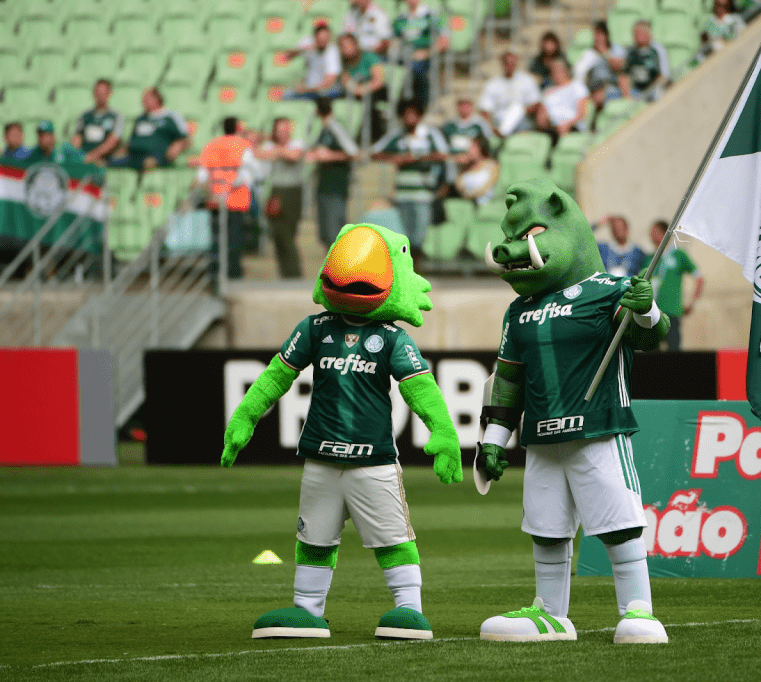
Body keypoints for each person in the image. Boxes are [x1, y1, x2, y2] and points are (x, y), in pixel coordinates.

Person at [222, 223, 461, 641]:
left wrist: (442, 431)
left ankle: (408, 609)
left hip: (374, 462)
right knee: (314, 537)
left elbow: (420, 387)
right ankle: (308, 611)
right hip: (320, 458)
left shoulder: (391, 338)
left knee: (392, 538)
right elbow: (276, 377)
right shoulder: (314, 328)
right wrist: (245, 417)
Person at [478, 178, 669, 645]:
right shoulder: (518, 311)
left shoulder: (610, 289)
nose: (515, 249)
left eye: (530, 235)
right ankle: (550, 613)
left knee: (619, 523)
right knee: (546, 528)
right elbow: (508, 381)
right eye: (513, 237)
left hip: (599, 429)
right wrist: (492, 441)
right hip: (543, 440)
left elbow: (653, 335)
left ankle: (638, 610)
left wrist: (647, 311)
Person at [371, 99, 449, 257]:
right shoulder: (397, 134)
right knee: (404, 235)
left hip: (423, 193)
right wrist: (395, 158)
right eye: (406, 115)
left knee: (419, 235)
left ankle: (417, 265)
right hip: (402, 192)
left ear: (420, 116)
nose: (409, 118)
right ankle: (408, 269)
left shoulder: (429, 134)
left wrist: (416, 158)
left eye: (413, 114)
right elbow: (375, 152)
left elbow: (443, 154)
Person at [195, 117, 252, 280]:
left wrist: (215, 191)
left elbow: (202, 175)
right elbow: (245, 174)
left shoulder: (211, 145)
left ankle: (215, 273)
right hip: (235, 200)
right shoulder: (243, 145)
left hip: (214, 200)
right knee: (233, 240)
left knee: (216, 240)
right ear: (237, 128)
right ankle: (233, 274)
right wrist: (228, 188)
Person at [254, 117, 306, 279]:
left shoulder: (297, 144)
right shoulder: (272, 147)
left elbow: (294, 156)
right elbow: (258, 153)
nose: (283, 133)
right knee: (277, 232)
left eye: (285, 129)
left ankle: (294, 272)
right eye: (279, 129)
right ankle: (285, 272)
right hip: (276, 191)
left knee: (288, 233)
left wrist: (277, 151)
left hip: (292, 191)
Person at [642, 219, 704, 350]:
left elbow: (699, 277)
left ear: (665, 233)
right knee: (652, 351)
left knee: (674, 351)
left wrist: (693, 302)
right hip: (652, 312)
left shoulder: (678, 254)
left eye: (655, 232)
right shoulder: (649, 258)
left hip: (671, 311)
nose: (651, 236)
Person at [308, 99, 360, 250]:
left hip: (335, 187)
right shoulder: (324, 130)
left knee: (335, 232)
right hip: (324, 186)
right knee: (325, 234)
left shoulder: (335, 127)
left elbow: (354, 153)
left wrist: (329, 155)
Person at [110, 87, 189, 170]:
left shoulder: (170, 117)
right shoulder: (140, 119)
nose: (144, 101)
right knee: (107, 163)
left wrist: (177, 147)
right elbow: (131, 141)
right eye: (143, 99)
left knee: (147, 163)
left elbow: (185, 139)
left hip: (156, 157)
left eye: (147, 98)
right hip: (134, 156)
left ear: (157, 98)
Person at [392, 0, 449, 110]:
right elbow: (394, 40)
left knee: (417, 69)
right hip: (404, 56)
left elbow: (445, 41)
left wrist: (426, 53)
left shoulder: (432, 15)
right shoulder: (401, 18)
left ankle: (422, 106)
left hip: (426, 55)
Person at [477, 51, 542, 137]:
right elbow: (485, 110)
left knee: (517, 108)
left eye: (512, 63)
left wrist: (518, 114)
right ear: (502, 64)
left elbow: (536, 103)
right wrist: (491, 128)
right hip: (499, 121)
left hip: (522, 121)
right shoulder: (492, 84)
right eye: (507, 63)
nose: (510, 66)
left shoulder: (527, 80)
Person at [338, 33, 387, 142]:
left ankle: (374, 138)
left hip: (375, 92)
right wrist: (356, 90)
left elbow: (378, 81)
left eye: (348, 45)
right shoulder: (342, 63)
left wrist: (361, 90)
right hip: (355, 93)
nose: (345, 49)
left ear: (355, 45)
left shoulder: (370, 57)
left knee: (369, 102)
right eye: (342, 46)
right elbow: (346, 82)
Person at [535, 59, 589, 145]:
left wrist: (567, 125)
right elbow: (541, 119)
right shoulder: (548, 93)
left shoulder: (577, 86)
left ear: (566, 71)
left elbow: (582, 113)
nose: (556, 74)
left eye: (558, 71)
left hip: (573, 126)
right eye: (553, 72)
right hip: (553, 129)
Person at [71, 79, 125, 165]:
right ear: (93, 93)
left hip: (105, 159)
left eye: (103, 93)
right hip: (85, 156)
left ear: (109, 94)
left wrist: (92, 156)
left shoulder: (115, 116)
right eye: (98, 92)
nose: (100, 96)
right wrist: (78, 155)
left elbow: (113, 141)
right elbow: (77, 137)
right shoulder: (85, 115)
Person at [283, 22, 342, 99]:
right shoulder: (308, 42)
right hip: (309, 86)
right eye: (321, 39)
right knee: (287, 95)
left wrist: (306, 89)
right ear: (315, 37)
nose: (323, 41)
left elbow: (329, 82)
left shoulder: (333, 52)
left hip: (325, 90)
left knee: (324, 94)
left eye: (325, 39)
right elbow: (287, 57)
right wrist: (303, 49)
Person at [618, 20, 671, 102]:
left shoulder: (657, 50)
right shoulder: (630, 52)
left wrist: (649, 92)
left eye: (641, 32)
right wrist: (627, 96)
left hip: (653, 90)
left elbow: (664, 76)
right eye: (636, 33)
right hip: (636, 91)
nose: (638, 35)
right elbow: (624, 75)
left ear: (648, 34)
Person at [573, 21, 625, 100]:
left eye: (600, 35)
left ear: (606, 35)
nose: (598, 38)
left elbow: (620, 68)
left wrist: (605, 53)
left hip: (613, 86)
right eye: (596, 35)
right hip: (594, 89)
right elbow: (579, 73)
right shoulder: (589, 54)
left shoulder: (616, 49)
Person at [453, 135, 499, 206]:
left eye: (473, 147)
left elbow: (489, 187)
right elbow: (459, 187)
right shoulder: (467, 167)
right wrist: (460, 166)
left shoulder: (492, 165)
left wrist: (471, 195)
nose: (470, 150)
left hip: (487, 204)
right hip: (469, 204)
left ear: (480, 148)